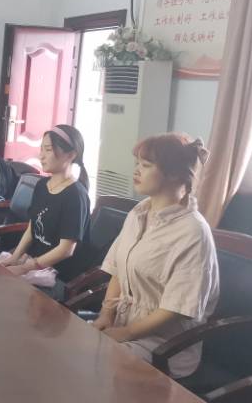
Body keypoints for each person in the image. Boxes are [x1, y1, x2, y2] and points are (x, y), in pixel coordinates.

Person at [92, 133, 219, 378]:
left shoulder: (193, 232)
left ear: (174, 175)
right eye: (137, 163)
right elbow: (119, 269)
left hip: (165, 345)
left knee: (95, 366)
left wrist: (126, 333)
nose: (137, 170)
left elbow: (176, 308)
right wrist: (106, 314)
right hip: (123, 325)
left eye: (146, 165)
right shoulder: (138, 213)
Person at [0, 125, 91, 293]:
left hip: (57, 275)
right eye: (41, 149)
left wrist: (24, 268)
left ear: (71, 155)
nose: (41, 156)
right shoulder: (42, 185)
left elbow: (66, 250)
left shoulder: (76, 195)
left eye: (48, 150)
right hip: (33, 262)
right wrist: (14, 258)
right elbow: (32, 228)